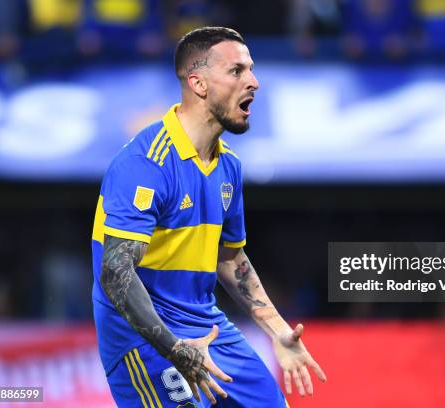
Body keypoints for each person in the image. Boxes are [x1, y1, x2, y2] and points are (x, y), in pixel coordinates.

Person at [91, 26, 326, 407]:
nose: (254, 81)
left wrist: (277, 330)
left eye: (250, 69)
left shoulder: (228, 165)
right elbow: (116, 274)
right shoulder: (145, 164)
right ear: (199, 84)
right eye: (237, 71)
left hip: (208, 328)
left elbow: (229, 257)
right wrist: (175, 349)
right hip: (145, 338)